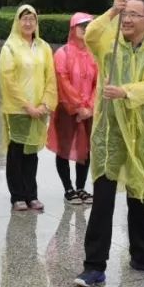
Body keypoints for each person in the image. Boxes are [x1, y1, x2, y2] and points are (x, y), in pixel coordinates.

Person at [74, 0, 144, 287]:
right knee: (103, 197)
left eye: (134, 14)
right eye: (125, 13)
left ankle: (142, 256)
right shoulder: (109, 45)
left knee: (139, 196)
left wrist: (126, 91)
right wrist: (110, 12)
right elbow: (91, 35)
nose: (128, 19)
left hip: (142, 131)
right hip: (109, 131)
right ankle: (93, 266)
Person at [0, 5, 57, 211]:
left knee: (32, 153)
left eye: (32, 18)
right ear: (17, 21)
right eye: (24, 18)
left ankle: (31, 194)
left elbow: (51, 77)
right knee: (16, 152)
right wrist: (27, 105)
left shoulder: (44, 47)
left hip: (39, 109)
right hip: (17, 109)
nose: (28, 22)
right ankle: (17, 196)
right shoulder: (10, 47)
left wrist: (44, 104)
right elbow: (8, 80)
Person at [47, 12, 97, 205]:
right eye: (81, 25)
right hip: (67, 110)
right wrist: (77, 107)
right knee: (65, 148)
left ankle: (81, 187)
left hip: (88, 111)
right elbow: (62, 81)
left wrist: (89, 107)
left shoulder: (94, 54)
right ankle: (68, 187)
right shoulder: (63, 54)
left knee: (85, 150)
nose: (85, 29)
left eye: (88, 25)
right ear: (73, 28)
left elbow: (97, 83)